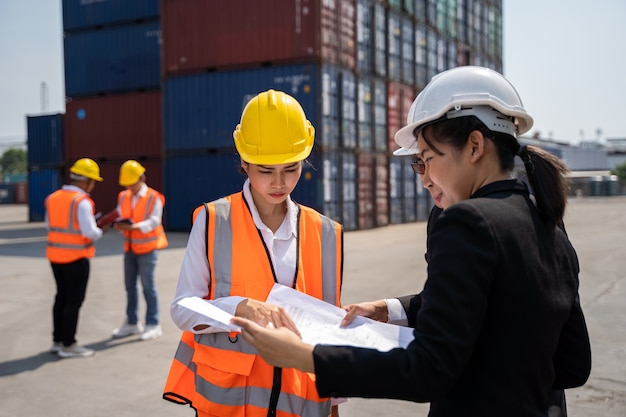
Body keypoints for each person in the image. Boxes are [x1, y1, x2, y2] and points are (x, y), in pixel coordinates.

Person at [231, 66, 592, 417]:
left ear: (474, 146)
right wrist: (395, 311)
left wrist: (305, 357)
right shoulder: (550, 225)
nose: (424, 178)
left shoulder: (468, 223)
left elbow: (428, 370)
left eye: (426, 160)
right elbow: (573, 364)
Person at [162, 89, 344, 417]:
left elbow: (328, 329)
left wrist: (333, 406)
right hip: (231, 403)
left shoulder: (326, 232)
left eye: (291, 168)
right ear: (244, 162)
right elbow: (183, 310)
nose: (279, 182)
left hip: (299, 402)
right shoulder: (214, 219)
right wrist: (241, 308)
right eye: (265, 170)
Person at [46, 157, 107, 358]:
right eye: (93, 182)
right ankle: (69, 344)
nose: (93, 187)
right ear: (86, 181)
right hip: (77, 259)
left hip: (55, 258)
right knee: (74, 301)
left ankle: (57, 341)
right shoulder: (82, 202)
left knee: (61, 298)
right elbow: (90, 232)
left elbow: (50, 226)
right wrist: (101, 229)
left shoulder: (53, 198)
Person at [111, 160, 168, 341]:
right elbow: (121, 214)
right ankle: (132, 323)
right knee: (130, 287)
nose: (130, 187)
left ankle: (153, 323)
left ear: (142, 178)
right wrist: (119, 224)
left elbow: (154, 221)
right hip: (129, 246)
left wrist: (134, 228)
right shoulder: (123, 196)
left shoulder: (154, 197)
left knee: (148, 286)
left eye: (133, 183)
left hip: (148, 248)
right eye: (127, 184)